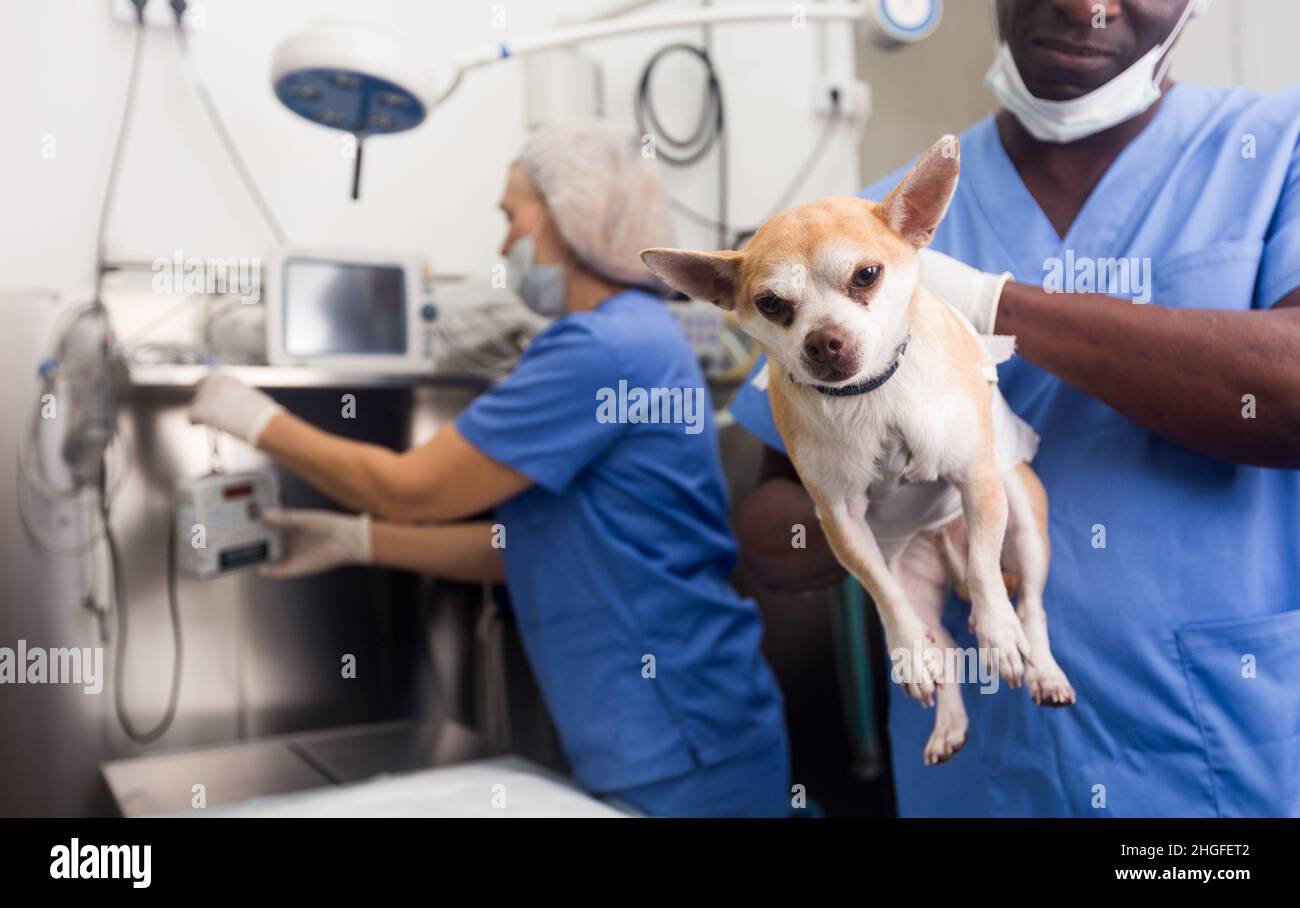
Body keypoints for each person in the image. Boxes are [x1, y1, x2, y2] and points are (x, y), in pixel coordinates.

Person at [730, 0, 1300, 817]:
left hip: (1206, 757)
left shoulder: (1276, 150)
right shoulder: (853, 236)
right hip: (974, 773)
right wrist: (872, 513)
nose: (1082, 4)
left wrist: (991, 305)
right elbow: (769, 534)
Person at [189, 120, 790, 818]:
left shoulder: (602, 350)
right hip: (667, 733)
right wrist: (355, 540)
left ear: (571, 216)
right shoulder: (637, 337)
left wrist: (250, 417)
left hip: (684, 739)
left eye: (512, 216)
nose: (505, 241)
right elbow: (529, 550)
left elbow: (407, 489)